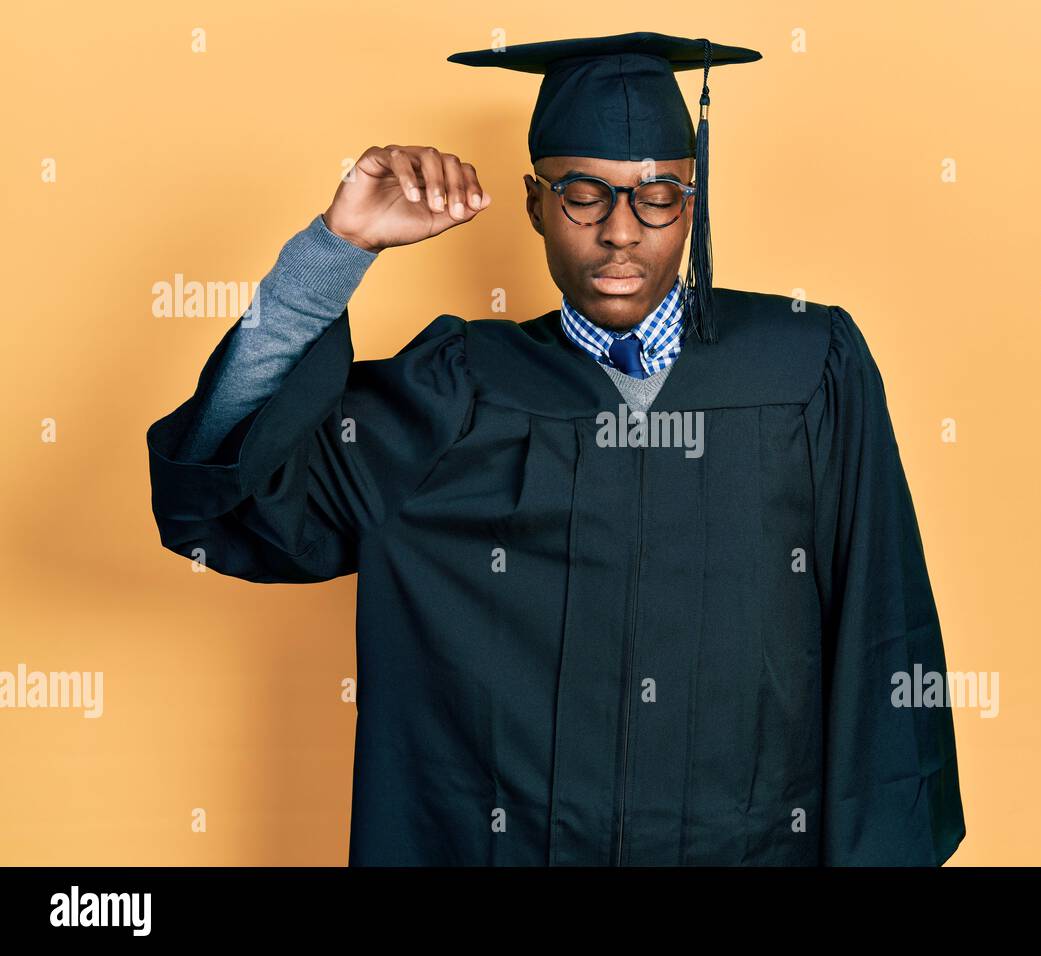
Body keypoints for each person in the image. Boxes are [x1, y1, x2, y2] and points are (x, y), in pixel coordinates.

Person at [145, 31, 966, 866]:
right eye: (583, 194)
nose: (620, 231)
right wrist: (336, 250)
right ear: (536, 204)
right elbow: (233, 499)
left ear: (694, 201)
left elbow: (882, 621)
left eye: (658, 195)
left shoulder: (806, 363)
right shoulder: (458, 387)